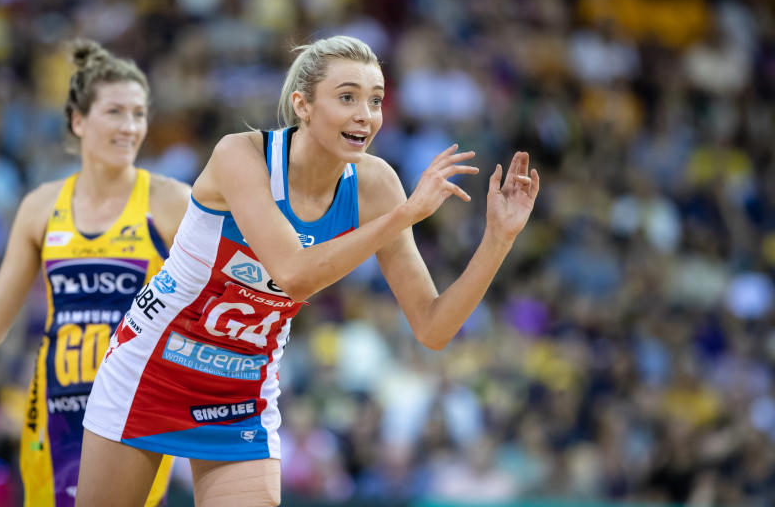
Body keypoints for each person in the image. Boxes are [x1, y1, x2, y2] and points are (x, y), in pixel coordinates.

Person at [76, 35, 540, 507]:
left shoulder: (376, 185)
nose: (366, 114)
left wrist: (499, 239)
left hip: (243, 389)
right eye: (347, 97)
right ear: (302, 104)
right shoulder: (241, 155)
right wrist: (403, 216)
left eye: (375, 100)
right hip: (151, 368)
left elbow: (434, 327)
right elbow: (294, 274)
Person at [0, 40, 191, 507]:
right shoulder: (41, 207)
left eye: (138, 113)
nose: (130, 126)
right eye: (115, 112)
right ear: (78, 121)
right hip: (55, 405)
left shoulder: (172, 202)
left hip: (134, 406)